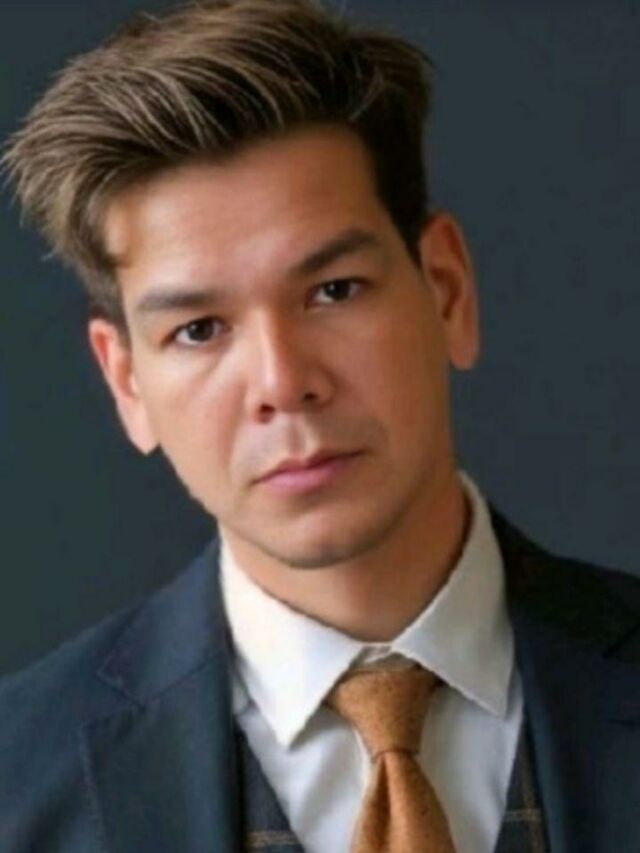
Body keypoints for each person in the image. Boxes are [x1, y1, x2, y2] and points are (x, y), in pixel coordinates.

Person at [1, 1, 639, 851]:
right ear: (127, 382)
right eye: (198, 329)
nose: (282, 382)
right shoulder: (17, 783)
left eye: (333, 290)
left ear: (446, 291)